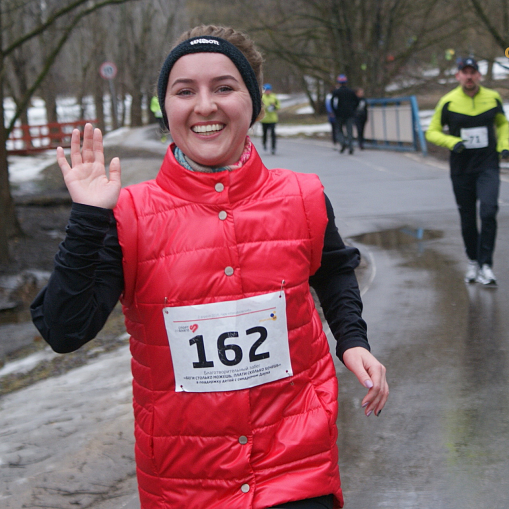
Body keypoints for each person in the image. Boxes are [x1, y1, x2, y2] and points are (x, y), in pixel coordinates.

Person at [30, 25, 388, 509]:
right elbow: (64, 330)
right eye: (184, 91)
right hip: (186, 485)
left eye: (224, 87)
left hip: (297, 466)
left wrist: (353, 340)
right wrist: (89, 217)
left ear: (253, 103)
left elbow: (333, 269)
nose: (204, 106)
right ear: (166, 109)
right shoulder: (127, 215)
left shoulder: (302, 195)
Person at [426, 57, 509, 286]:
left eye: (473, 72)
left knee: (489, 210)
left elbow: (503, 123)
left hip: (488, 165)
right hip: (462, 168)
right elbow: (431, 132)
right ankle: (473, 261)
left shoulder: (492, 97)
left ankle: (486, 265)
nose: (469, 76)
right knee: (468, 217)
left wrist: (504, 145)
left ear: (479, 76)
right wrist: (452, 142)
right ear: (458, 76)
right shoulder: (448, 101)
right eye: (465, 72)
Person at [331, 74, 359, 155]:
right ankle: (351, 147)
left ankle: (343, 142)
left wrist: (335, 111)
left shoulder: (336, 92)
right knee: (349, 131)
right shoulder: (351, 91)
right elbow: (357, 101)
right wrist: (353, 109)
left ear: (338, 82)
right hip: (350, 114)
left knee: (339, 130)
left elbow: (332, 102)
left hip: (339, 114)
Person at [260, 83, 280, 154]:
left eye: (269, 90)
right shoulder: (262, 97)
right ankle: (264, 143)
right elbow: (260, 106)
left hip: (272, 119)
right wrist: (266, 107)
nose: (268, 91)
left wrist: (274, 107)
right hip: (264, 119)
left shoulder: (274, 97)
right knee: (265, 133)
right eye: (266, 90)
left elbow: (278, 106)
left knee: (273, 134)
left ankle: (273, 148)